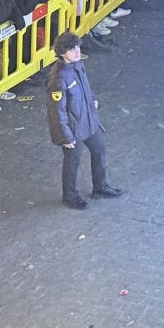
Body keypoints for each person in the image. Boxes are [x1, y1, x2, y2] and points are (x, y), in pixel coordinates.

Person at [46, 29, 123, 209]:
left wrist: (93, 99)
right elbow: (56, 111)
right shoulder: (58, 79)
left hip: (88, 120)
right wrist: (66, 137)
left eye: (77, 47)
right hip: (73, 128)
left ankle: (100, 187)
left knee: (99, 150)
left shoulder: (78, 65)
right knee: (72, 162)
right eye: (72, 49)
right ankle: (70, 196)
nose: (77, 52)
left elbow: (85, 87)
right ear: (62, 53)